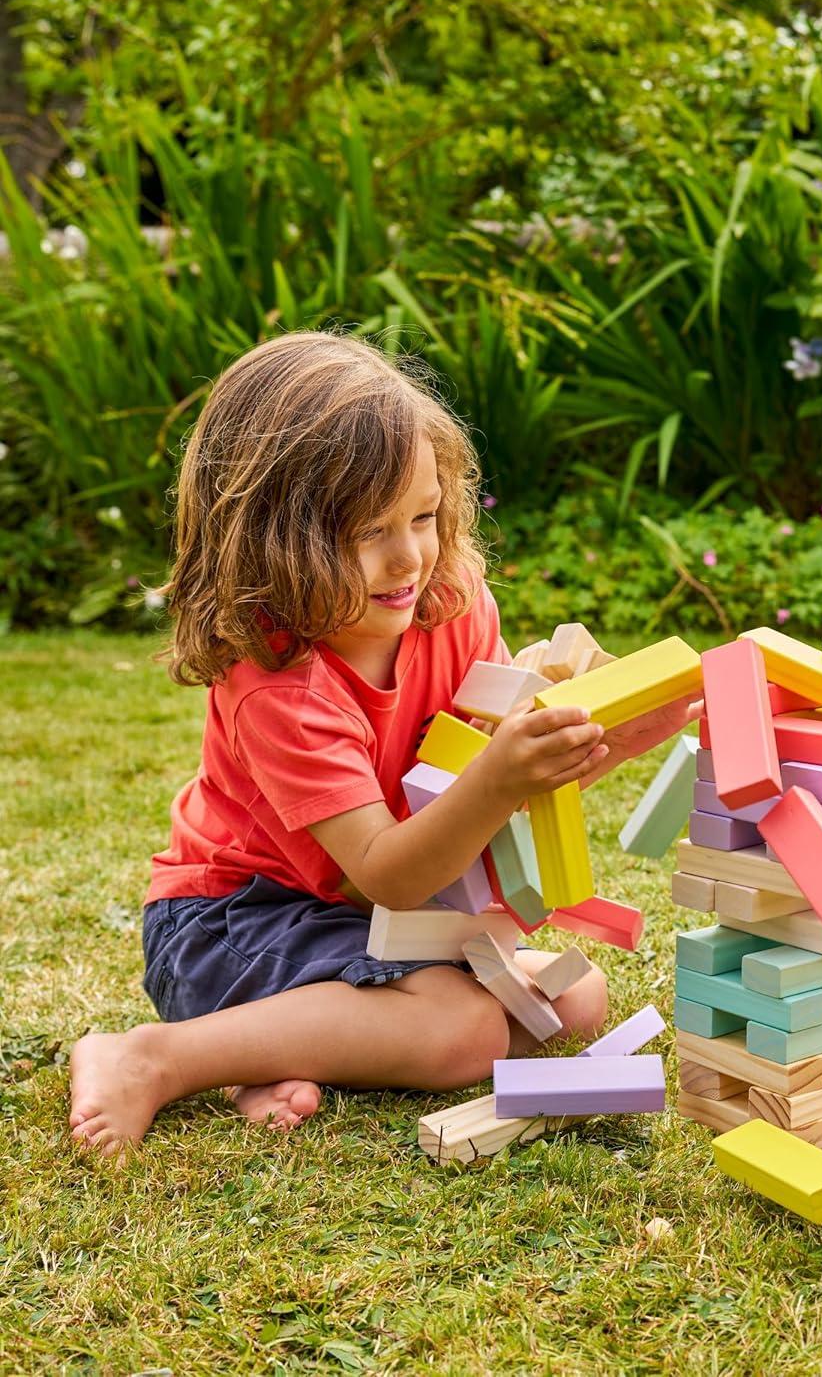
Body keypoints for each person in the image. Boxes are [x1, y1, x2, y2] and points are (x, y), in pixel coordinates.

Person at [69, 331, 698, 1156]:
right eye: (369, 532)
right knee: (468, 1033)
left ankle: (282, 1052)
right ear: (273, 542)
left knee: (574, 999)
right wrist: (506, 776)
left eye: (425, 516)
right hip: (235, 921)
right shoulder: (280, 680)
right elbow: (391, 872)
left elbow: (476, 778)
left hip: (369, 920)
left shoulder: (451, 598)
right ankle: (155, 1056)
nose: (409, 556)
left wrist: (595, 742)